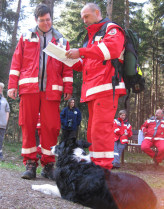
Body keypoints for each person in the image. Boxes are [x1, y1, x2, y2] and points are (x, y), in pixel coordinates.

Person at [7, 4, 73, 180]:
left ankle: (49, 164)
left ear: (52, 19)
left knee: (51, 127)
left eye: (48, 20)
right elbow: (16, 62)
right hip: (29, 90)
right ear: (36, 20)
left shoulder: (61, 41)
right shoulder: (25, 37)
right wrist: (12, 85)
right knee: (27, 125)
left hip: (52, 91)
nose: (46, 23)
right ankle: (30, 164)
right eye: (42, 20)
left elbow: (67, 67)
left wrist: (68, 87)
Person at [65, 3, 126, 169]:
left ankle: (103, 171)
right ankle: (96, 168)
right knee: (93, 131)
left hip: (106, 88)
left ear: (97, 12)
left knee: (101, 130)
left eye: (86, 16)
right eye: (82, 18)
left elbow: (112, 49)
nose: (84, 20)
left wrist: (82, 52)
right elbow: (85, 65)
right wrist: (69, 59)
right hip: (93, 90)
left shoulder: (111, 28)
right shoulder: (90, 37)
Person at [0, 82, 10, 161]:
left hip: (2, 124)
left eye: (1, 88)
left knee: (0, 139)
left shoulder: (4, 100)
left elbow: (7, 111)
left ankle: (0, 154)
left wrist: (5, 122)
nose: (0, 89)